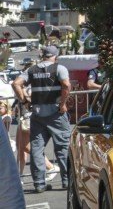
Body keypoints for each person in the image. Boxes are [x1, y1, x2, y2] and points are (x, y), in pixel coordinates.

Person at [12, 45, 70, 193]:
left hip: (37, 116)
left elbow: (16, 84)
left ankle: (39, 184)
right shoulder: (59, 68)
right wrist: (63, 104)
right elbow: (66, 85)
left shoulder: (31, 70)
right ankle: (67, 181)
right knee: (62, 148)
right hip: (56, 114)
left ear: (43, 56)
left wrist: (25, 102)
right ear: (55, 56)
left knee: (37, 150)